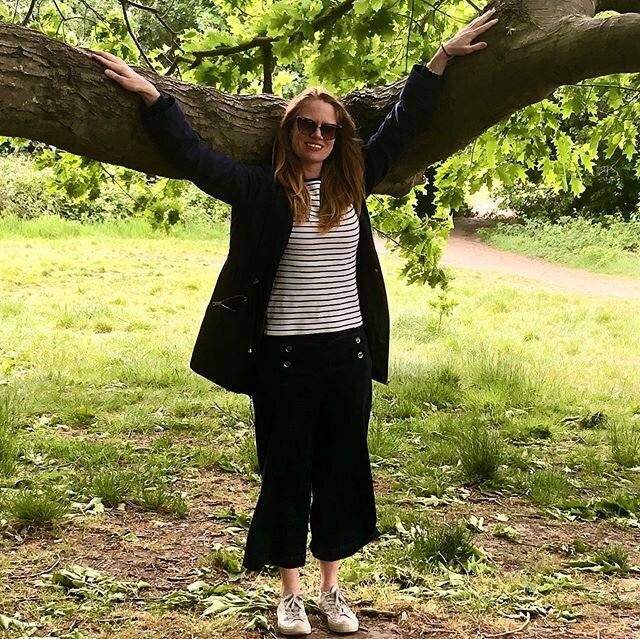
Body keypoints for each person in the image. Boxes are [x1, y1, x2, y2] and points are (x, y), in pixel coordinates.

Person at [93, 7, 498, 635]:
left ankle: (333, 591)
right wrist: (153, 97)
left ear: (339, 139)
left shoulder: (353, 185)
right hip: (283, 357)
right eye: (307, 126)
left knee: (341, 465)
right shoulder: (260, 190)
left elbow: (403, 122)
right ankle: (288, 593)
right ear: (290, 132)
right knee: (286, 469)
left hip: (346, 354)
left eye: (328, 129)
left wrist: (442, 56)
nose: (318, 135)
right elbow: (195, 157)